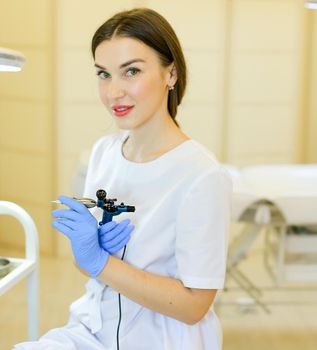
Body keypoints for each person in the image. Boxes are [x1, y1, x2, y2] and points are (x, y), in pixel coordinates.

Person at [14, 7, 232, 350]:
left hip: (162, 340)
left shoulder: (201, 175)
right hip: (91, 330)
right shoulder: (102, 153)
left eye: (131, 71)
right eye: (104, 74)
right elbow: (87, 264)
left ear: (170, 74)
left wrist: (102, 262)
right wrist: (91, 254)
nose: (114, 92)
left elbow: (194, 306)